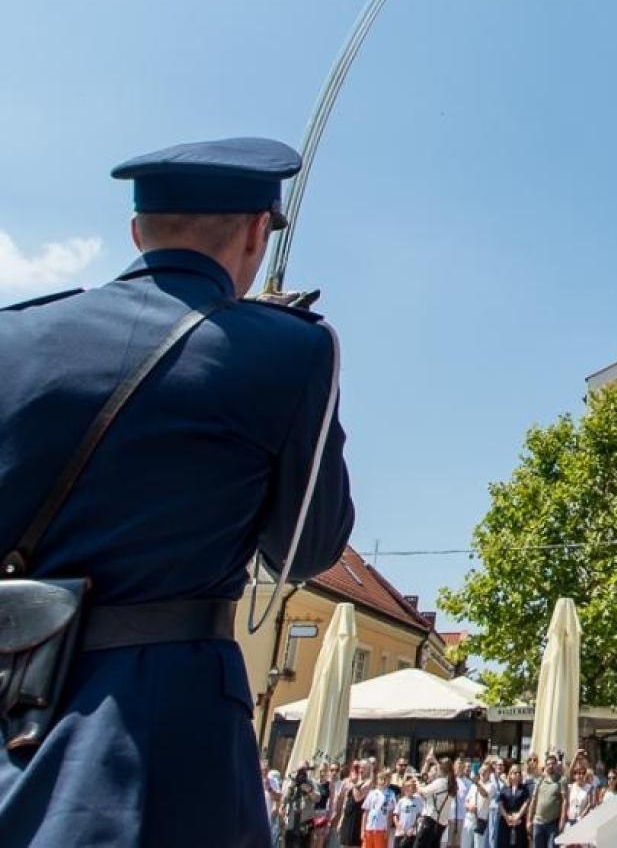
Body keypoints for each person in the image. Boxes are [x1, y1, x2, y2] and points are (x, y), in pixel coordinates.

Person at [0, 136, 355, 846]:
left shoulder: (14, 337)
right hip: (167, 724)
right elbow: (305, 550)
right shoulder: (291, 350)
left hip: (15, 704)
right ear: (259, 232)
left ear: (137, 231)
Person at [527, 754, 565, 848]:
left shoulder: (561, 780)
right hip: (538, 822)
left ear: (556, 765)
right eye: (548, 764)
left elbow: (565, 802)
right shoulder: (540, 780)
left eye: (553, 763)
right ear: (545, 765)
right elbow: (534, 800)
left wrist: (562, 821)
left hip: (552, 823)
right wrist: (529, 820)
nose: (551, 766)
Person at [496, 764, 531, 848]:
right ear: (510, 774)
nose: (517, 774)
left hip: (519, 822)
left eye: (519, 772)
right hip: (506, 821)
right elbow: (500, 804)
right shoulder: (505, 788)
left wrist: (518, 816)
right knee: (504, 843)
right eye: (515, 772)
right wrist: (507, 817)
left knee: (519, 844)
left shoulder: (524, 788)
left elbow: (526, 803)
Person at [361, 769, 394, 848]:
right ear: (377, 780)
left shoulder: (391, 794)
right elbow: (366, 813)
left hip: (381, 830)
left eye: (385, 779)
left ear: (388, 781)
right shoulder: (371, 793)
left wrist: (388, 831)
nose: (382, 782)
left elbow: (390, 815)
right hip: (369, 829)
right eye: (381, 779)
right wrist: (363, 830)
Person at [395, 777, 422, 848]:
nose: (408, 788)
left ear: (414, 789)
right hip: (400, 834)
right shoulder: (401, 801)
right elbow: (395, 816)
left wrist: (412, 828)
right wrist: (399, 828)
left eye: (410, 786)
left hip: (412, 834)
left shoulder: (418, 800)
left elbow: (419, 816)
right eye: (406, 786)